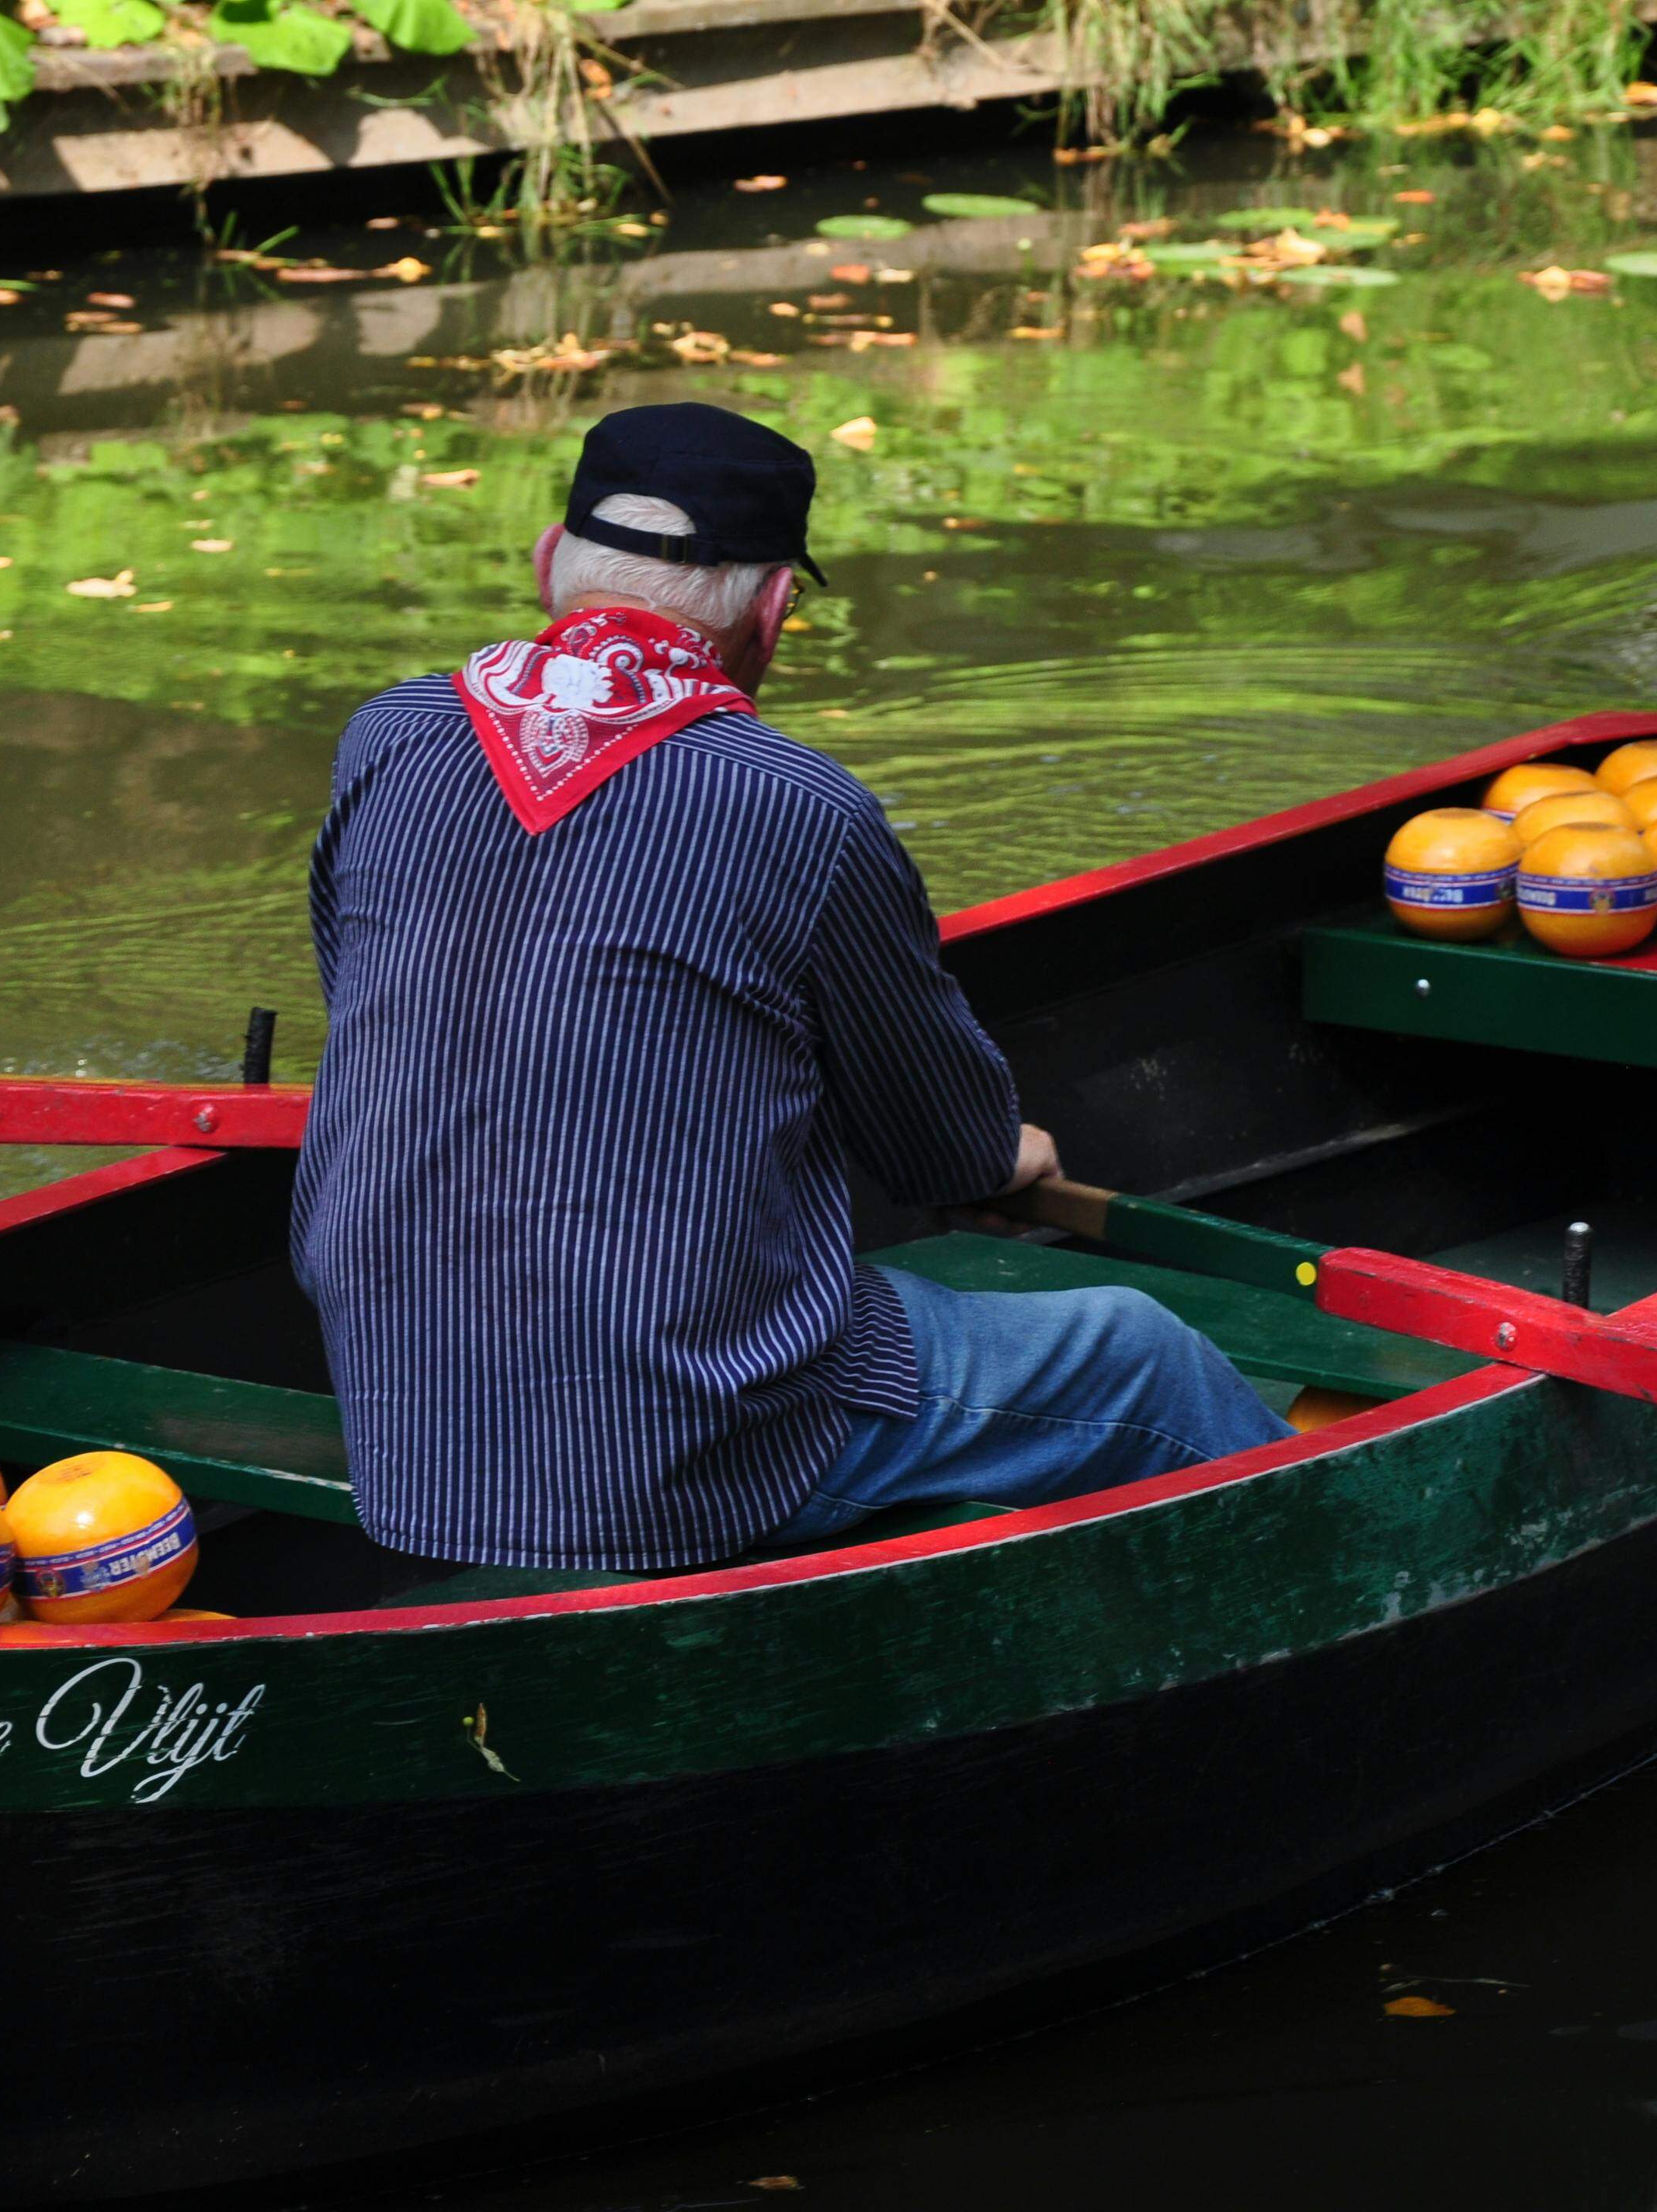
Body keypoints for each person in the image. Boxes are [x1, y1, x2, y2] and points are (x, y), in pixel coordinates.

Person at [291, 402, 1289, 1574]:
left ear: (549, 564)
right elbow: (938, 1154)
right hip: (686, 1451)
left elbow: (369, 999)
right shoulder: (799, 808)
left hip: (403, 1421)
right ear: (773, 613)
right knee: (1136, 1354)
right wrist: (999, 1154)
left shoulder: (388, 740)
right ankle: (1357, 1594)